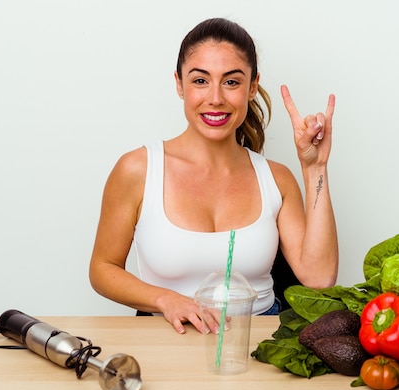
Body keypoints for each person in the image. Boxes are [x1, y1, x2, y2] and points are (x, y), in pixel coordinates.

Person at [89, 17, 338, 334]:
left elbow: (319, 278)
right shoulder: (138, 169)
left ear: (252, 87)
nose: (216, 98)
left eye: (232, 82)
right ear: (179, 84)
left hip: (257, 344)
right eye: (200, 81)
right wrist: (165, 299)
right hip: (165, 338)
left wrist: (315, 168)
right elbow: (102, 268)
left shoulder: (277, 179)